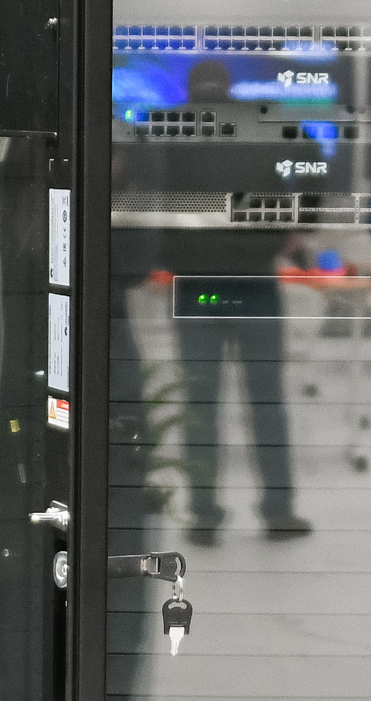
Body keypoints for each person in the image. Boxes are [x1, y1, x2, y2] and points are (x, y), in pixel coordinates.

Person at [115, 57, 309, 545]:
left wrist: (160, 253)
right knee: (267, 399)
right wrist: (296, 225)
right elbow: (312, 161)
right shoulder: (263, 120)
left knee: (200, 402)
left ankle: (203, 513)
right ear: (228, 87)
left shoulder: (163, 127)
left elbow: (147, 194)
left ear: (189, 87)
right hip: (255, 280)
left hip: (195, 283)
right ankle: (279, 511)